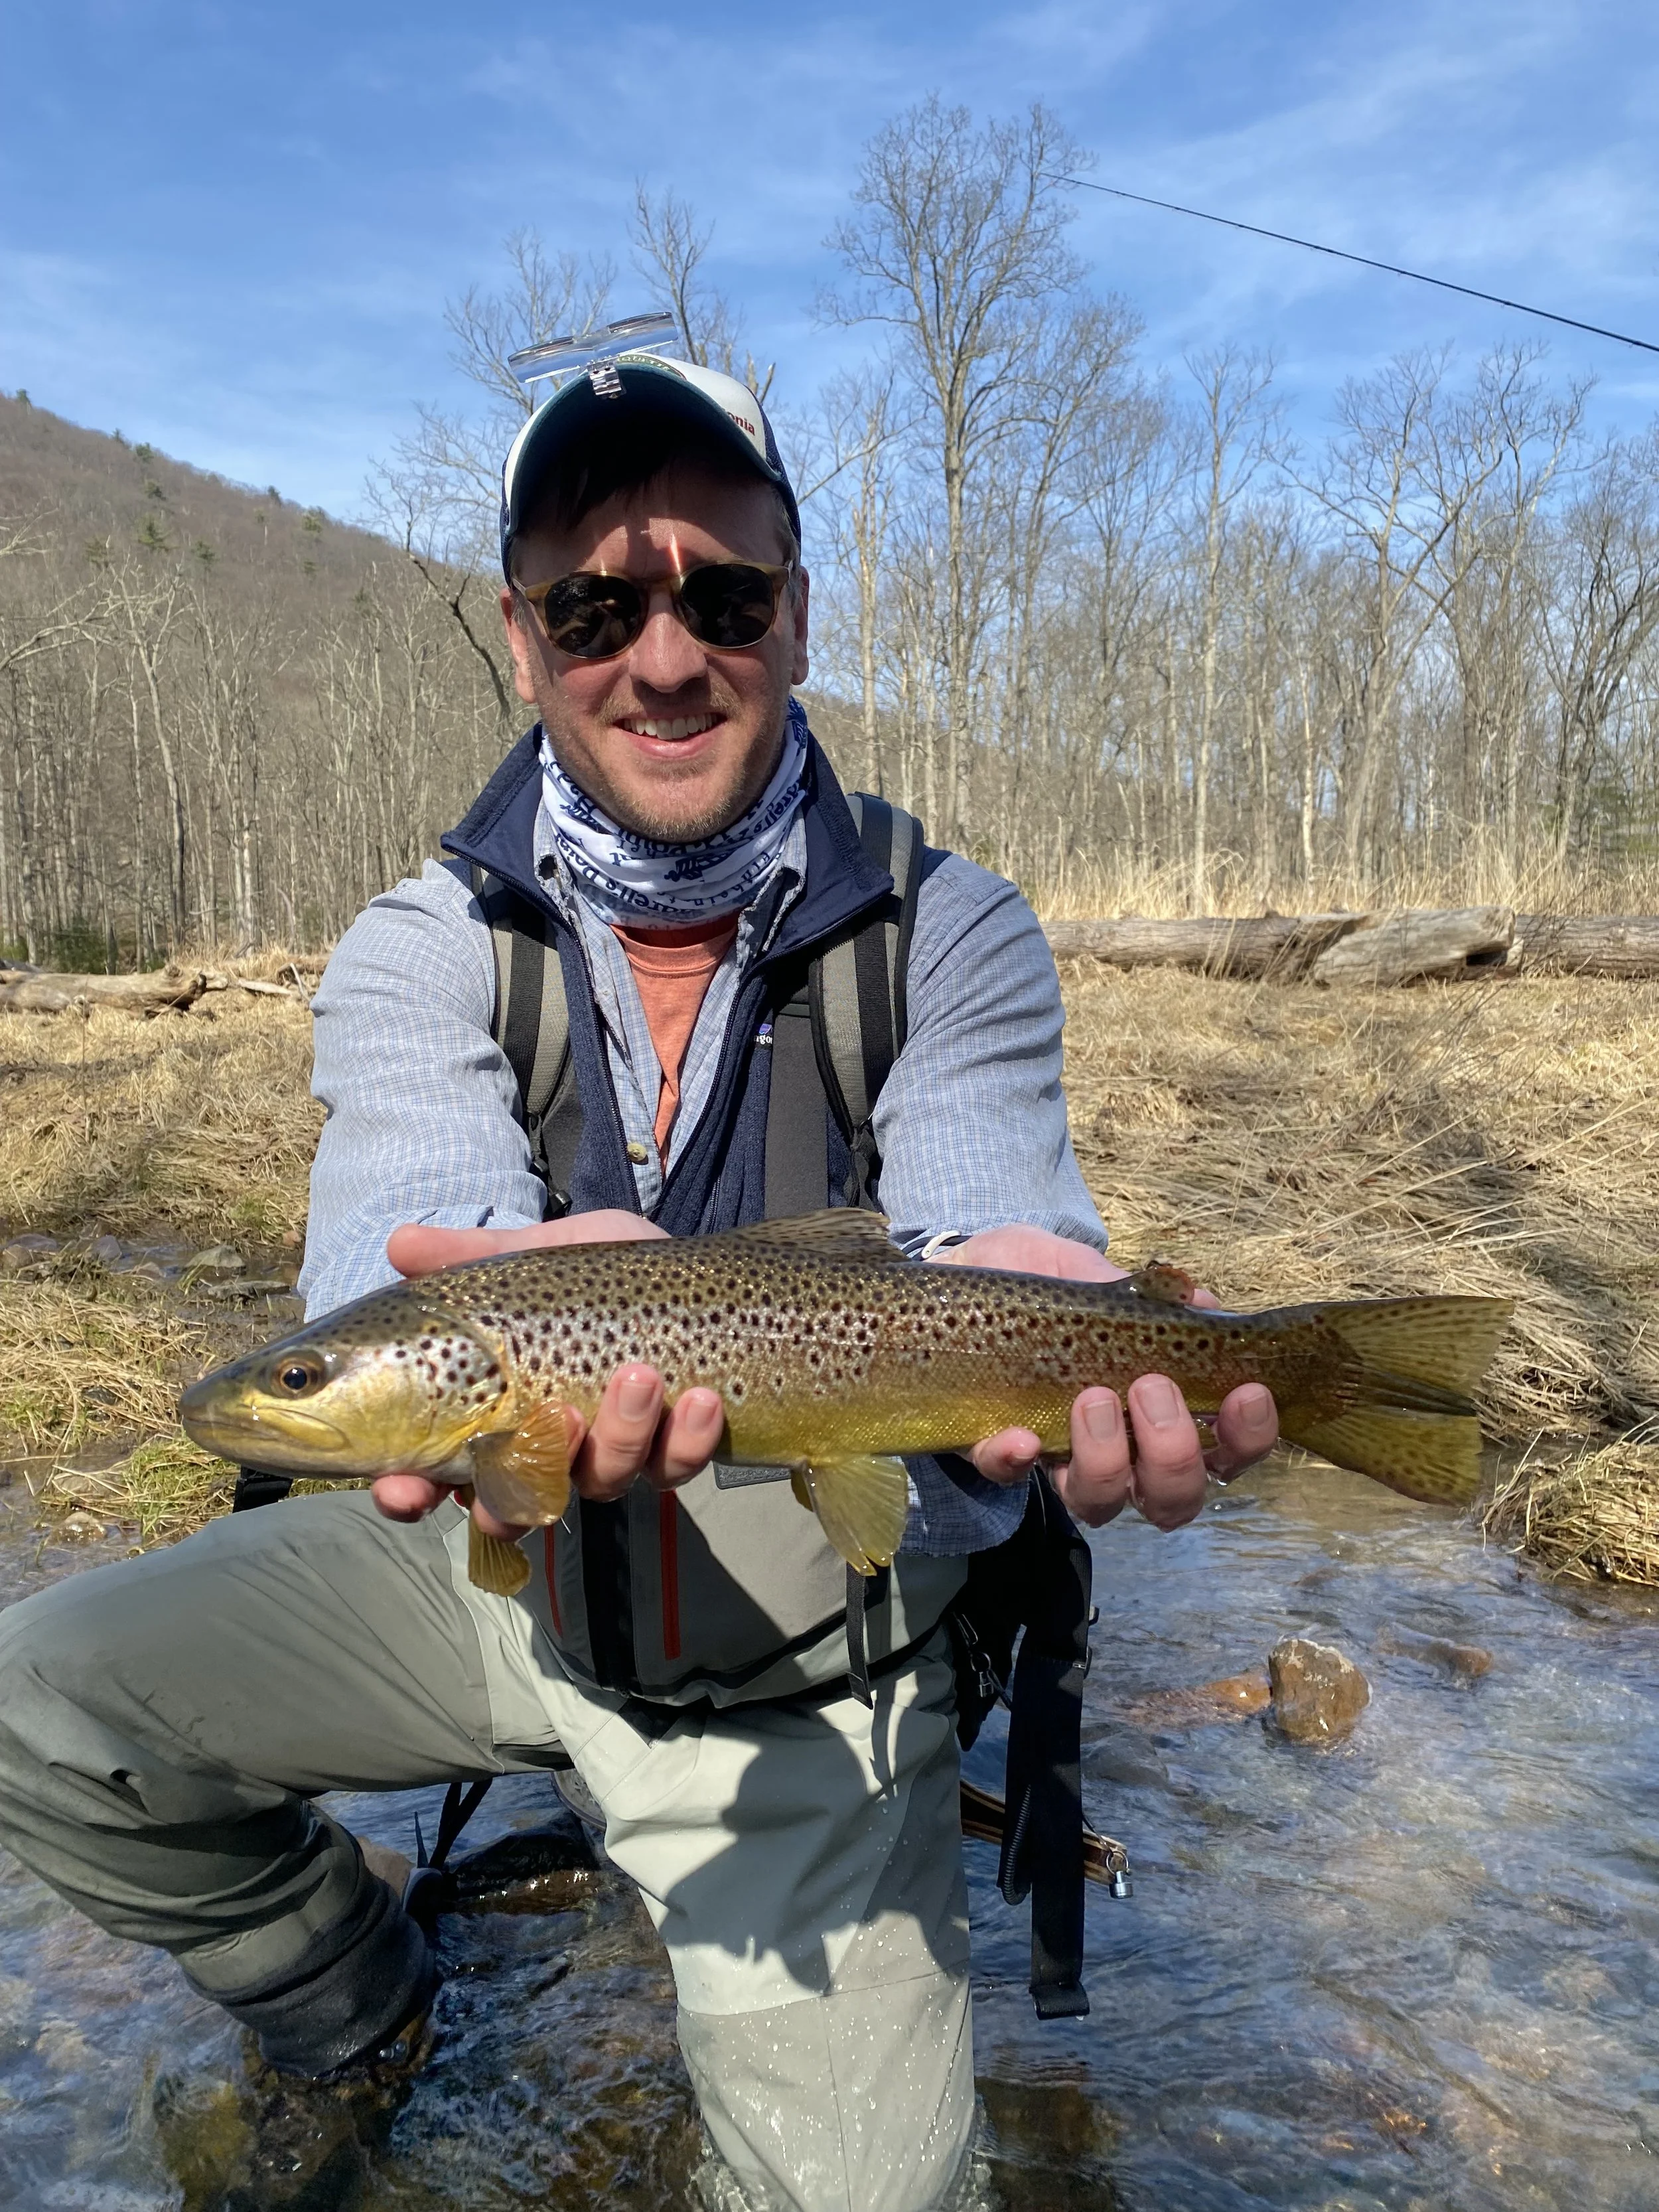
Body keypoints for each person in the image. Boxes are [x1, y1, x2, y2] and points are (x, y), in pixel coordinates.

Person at [0, 354, 1278, 2211]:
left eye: (721, 595)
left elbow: (1000, 1214)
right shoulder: (419, 944)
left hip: (810, 1664)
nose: (660, 655)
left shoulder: (957, 927)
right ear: (525, 641)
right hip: (500, 1580)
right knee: (42, 1696)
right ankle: (352, 1994)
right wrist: (470, 1315)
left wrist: (1060, 1319)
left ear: (793, 620)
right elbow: (398, 1231)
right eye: (596, 603)